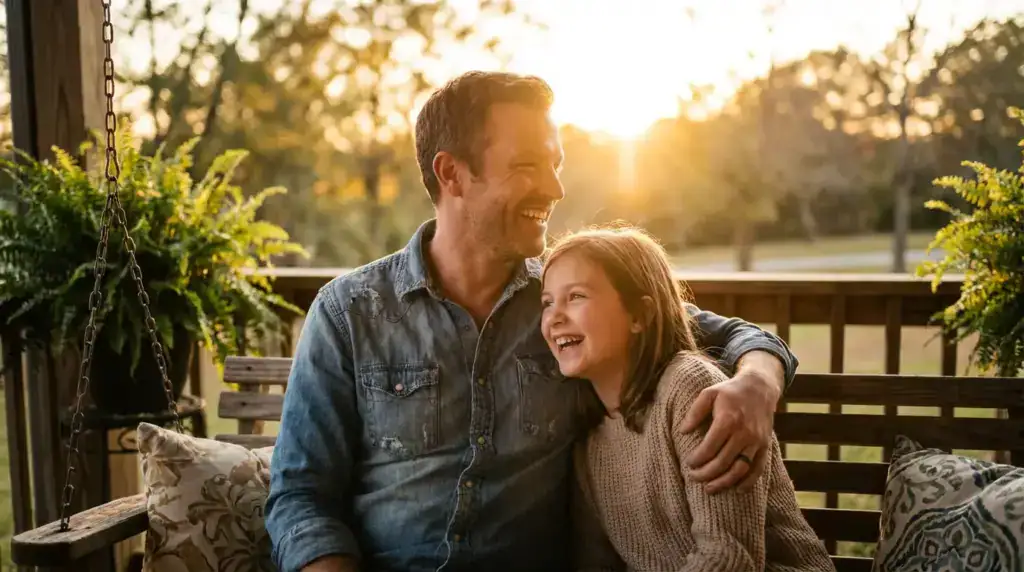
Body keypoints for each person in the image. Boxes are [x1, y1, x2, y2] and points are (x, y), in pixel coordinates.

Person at [265, 71, 800, 572]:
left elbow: (724, 334)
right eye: (527, 167)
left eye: (555, 165)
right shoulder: (349, 312)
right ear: (451, 173)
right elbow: (301, 495)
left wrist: (757, 382)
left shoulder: (578, 308)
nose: (555, 189)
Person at [540, 226, 833, 572]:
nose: (554, 317)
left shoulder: (690, 390)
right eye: (546, 302)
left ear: (640, 315)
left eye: (576, 297)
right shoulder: (590, 438)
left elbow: (729, 558)